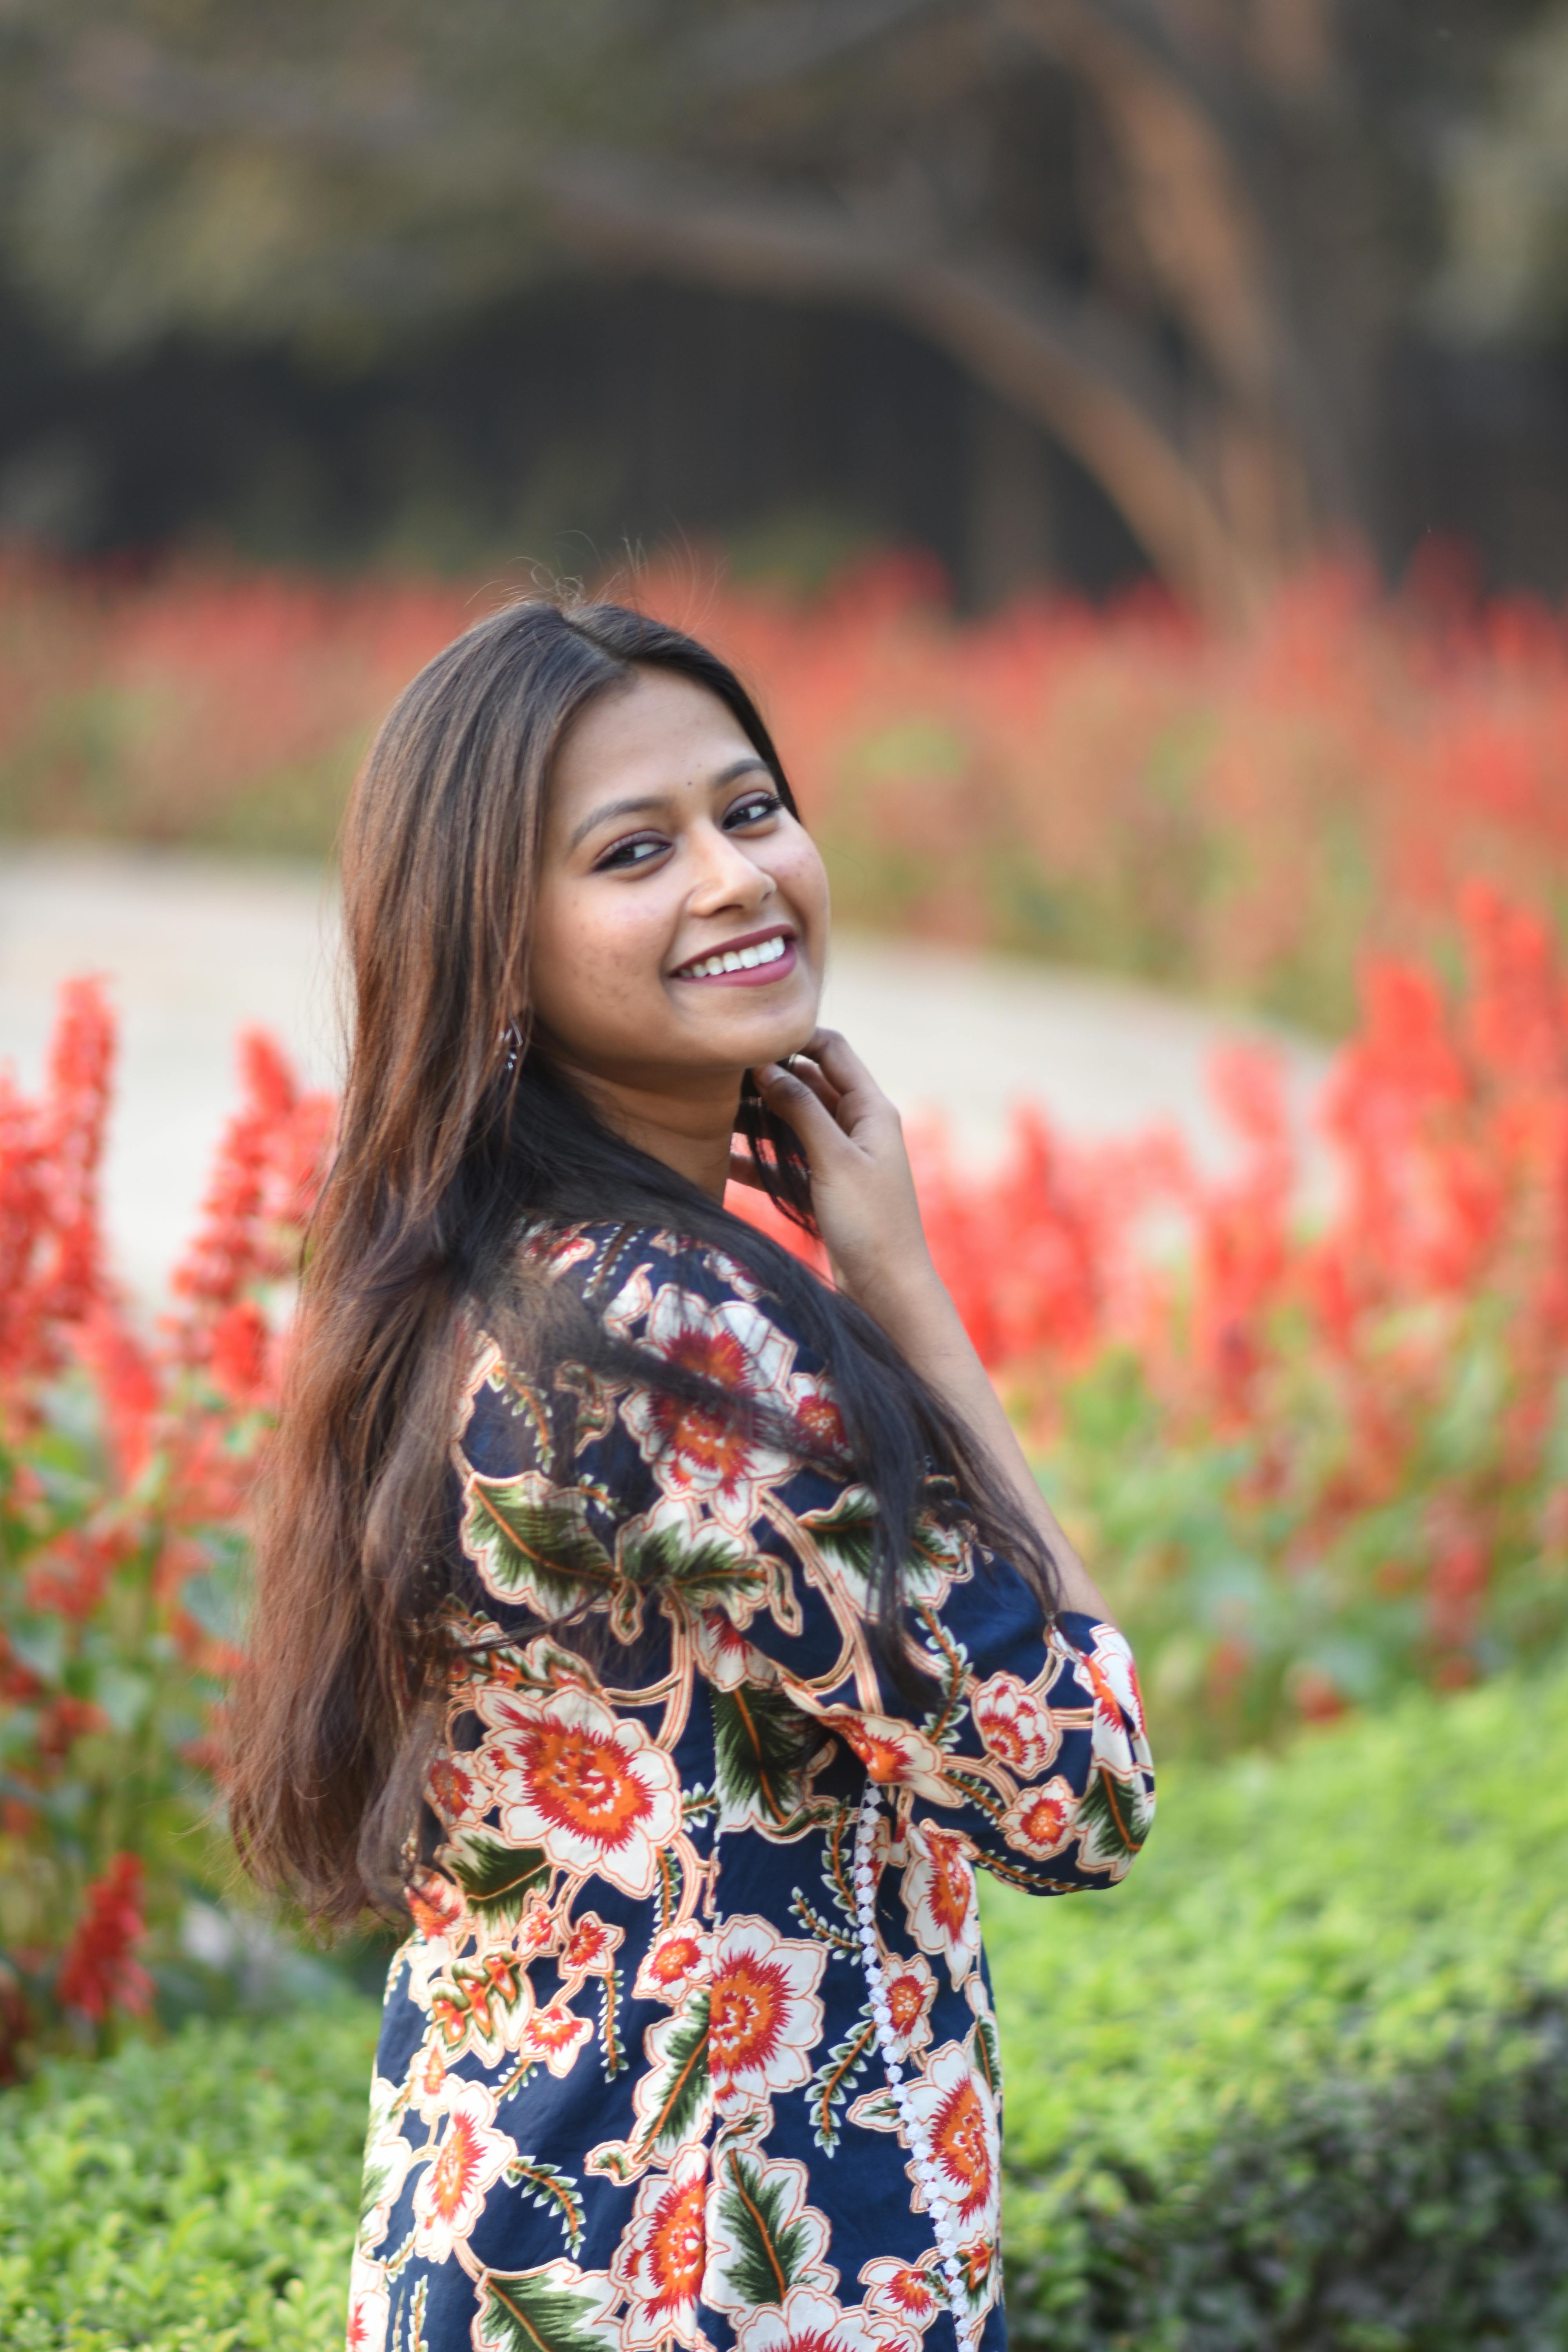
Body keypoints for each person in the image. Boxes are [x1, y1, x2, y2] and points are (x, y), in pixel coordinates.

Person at [227, 598, 1154, 2352]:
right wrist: (908, 1296)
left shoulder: (478, 1270)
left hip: (514, 2242)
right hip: (708, 2291)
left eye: (749, 811)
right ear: (491, 941)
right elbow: (1077, 1787)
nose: (733, 881)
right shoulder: (679, 1333)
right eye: (633, 851)